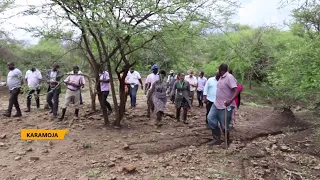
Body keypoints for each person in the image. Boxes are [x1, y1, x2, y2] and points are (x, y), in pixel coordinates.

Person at [207, 64, 238, 146]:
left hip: (225, 105)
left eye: (218, 70)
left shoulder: (229, 77)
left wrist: (230, 100)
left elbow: (236, 90)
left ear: (221, 70)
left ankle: (227, 142)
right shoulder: (220, 77)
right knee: (210, 119)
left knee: (224, 125)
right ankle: (216, 139)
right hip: (216, 104)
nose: (216, 71)